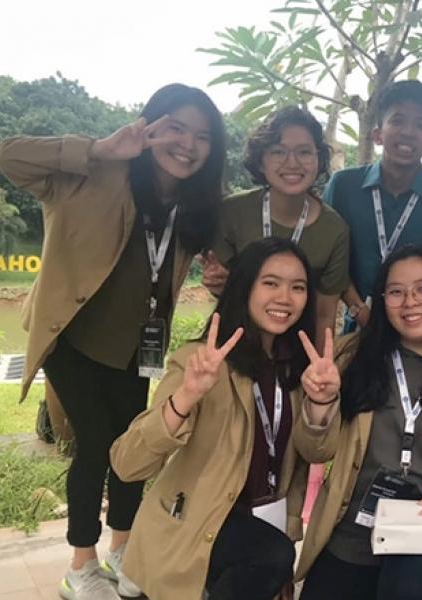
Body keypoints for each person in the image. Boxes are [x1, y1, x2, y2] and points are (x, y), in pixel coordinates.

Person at [0, 83, 226, 600]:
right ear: (149, 126)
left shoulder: (193, 206)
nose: (188, 144)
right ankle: (80, 566)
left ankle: (122, 549)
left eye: (203, 137)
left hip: (136, 352)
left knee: (135, 449)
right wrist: (98, 148)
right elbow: (9, 156)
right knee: (99, 446)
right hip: (72, 340)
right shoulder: (95, 171)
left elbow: (212, 262)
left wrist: (219, 276)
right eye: (176, 129)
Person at [292, 245, 422, 600]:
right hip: (355, 532)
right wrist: (320, 401)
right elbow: (315, 450)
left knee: (415, 588)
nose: (410, 302)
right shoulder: (349, 358)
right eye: (396, 292)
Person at [110, 237, 315, 599]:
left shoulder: (298, 372)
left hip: (260, 532)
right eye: (270, 283)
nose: (285, 297)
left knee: (272, 555)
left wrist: (325, 401)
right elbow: (128, 464)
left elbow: (314, 453)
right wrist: (186, 396)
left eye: (297, 287)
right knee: (271, 555)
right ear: (245, 287)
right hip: (195, 524)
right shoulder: (203, 361)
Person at [325, 80, 422, 331]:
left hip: (420, 331)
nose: (408, 132)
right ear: (378, 134)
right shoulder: (343, 187)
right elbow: (330, 259)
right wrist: (359, 310)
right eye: (397, 121)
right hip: (357, 327)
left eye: (421, 125)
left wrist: (420, 321)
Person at [204, 106, 350, 350]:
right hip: (231, 347)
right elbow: (222, 286)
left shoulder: (334, 230)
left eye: (304, 152)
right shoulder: (232, 212)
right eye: (278, 151)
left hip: (293, 357)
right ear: (260, 161)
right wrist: (219, 284)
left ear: (319, 160)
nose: (291, 163)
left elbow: (325, 313)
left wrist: (318, 366)